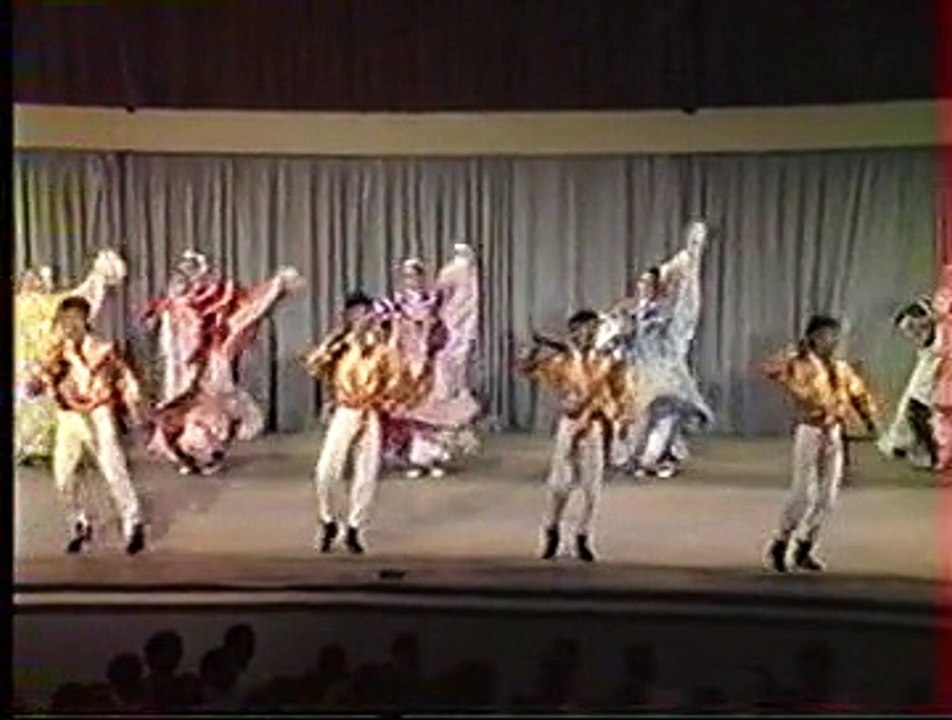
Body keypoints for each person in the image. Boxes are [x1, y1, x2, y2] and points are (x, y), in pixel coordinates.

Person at [146, 264, 304, 475]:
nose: (185, 284)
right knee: (187, 420)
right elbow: (169, 339)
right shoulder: (175, 308)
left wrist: (276, 288)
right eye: (181, 279)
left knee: (210, 420)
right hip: (185, 376)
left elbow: (246, 314)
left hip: (210, 378)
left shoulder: (217, 319)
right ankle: (191, 456)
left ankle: (207, 455)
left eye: (189, 278)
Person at [303, 291, 429, 555]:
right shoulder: (341, 346)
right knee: (326, 471)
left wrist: (392, 401)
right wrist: (333, 342)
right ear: (349, 317)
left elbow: (399, 381)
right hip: (346, 411)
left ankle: (354, 527)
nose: (362, 319)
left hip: (370, 413)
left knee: (366, 473)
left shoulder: (382, 350)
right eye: (356, 314)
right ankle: (328, 519)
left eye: (366, 313)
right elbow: (314, 366)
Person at [23, 296, 146, 555]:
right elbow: (42, 380)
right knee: (62, 476)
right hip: (69, 417)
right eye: (65, 320)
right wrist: (34, 385)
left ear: (86, 320)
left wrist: (132, 400)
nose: (69, 325)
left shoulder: (103, 348)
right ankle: (79, 522)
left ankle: (132, 522)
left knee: (113, 469)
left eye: (75, 319)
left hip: (99, 413)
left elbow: (124, 376)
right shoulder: (56, 352)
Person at [761, 314, 877, 573]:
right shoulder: (799, 364)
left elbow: (859, 394)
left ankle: (805, 545)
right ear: (813, 337)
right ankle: (780, 542)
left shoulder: (841, 368)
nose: (832, 340)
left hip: (833, 431)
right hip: (810, 430)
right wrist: (792, 354)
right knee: (803, 494)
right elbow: (770, 369)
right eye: (826, 335)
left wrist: (870, 421)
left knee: (828, 495)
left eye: (834, 335)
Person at [519, 310, 638, 562]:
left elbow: (622, 392)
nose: (587, 335)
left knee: (591, 487)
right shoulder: (562, 362)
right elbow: (528, 370)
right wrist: (534, 349)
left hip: (595, 425)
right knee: (559, 484)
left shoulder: (608, 361)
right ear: (573, 333)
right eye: (582, 330)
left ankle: (582, 535)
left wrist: (623, 421)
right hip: (570, 425)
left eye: (592, 330)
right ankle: (551, 530)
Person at [599, 221, 713, 479]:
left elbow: (685, 303)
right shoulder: (630, 310)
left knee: (665, 416)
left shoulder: (667, 313)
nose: (642, 287)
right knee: (638, 419)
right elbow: (614, 335)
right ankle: (639, 457)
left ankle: (650, 458)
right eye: (640, 283)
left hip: (664, 373)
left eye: (647, 283)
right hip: (638, 376)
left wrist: (689, 258)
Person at [15, 250, 128, 465]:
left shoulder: (47, 303)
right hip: (27, 362)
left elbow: (77, 298)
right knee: (30, 403)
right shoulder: (28, 304)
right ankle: (32, 447)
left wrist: (97, 278)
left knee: (44, 404)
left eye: (36, 281)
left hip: (40, 362)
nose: (33, 285)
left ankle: (43, 448)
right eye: (30, 281)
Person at [384, 244, 483, 478]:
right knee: (414, 410)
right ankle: (417, 459)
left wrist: (464, 269)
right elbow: (388, 326)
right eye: (407, 276)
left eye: (415, 275)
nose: (411, 280)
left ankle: (434, 458)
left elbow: (457, 309)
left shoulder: (433, 299)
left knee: (435, 407)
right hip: (408, 360)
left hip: (431, 358)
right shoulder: (396, 302)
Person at [878, 298, 941, 471]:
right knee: (911, 409)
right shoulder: (927, 335)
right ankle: (916, 448)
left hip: (939, 373)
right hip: (930, 370)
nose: (912, 333)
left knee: (918, 410)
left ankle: (932, 454)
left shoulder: (938, 330)